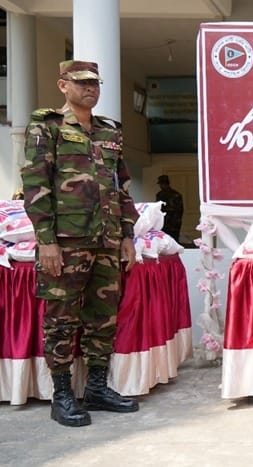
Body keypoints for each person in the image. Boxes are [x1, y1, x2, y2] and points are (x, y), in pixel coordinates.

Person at [20, 60, 141, 427]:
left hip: (106, 240)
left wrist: (128, 236)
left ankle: (97, 390)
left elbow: (122, 189)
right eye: (82, 83)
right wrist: (47, 242)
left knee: (102, 319)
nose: (91, 88)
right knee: (61, 319)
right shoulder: (47, 126)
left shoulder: (110, 131)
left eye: (95, 83)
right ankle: (62, 396)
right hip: (67, 242)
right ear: (63, 85)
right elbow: (36, 185)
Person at [156, 174, 184, 241]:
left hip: (172, 222)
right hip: (165, 222)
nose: (161, 186)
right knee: (166, 240)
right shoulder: (160, 194)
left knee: (171, 240)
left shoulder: (175, 195)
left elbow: (179, 210)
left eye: (162, 184)